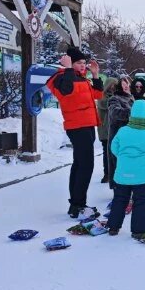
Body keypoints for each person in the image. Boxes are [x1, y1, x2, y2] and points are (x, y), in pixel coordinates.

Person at [46, 46, 104, 219]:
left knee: (79, 164)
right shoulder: (60, 77)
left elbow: (98, 95)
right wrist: (68, 69)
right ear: (70, 62)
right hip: (77, 126)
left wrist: (94, 75)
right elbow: (66, 91)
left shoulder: (82, 79)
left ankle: (76, 205)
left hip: (87, 125)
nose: (83, 66)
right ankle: (79, 205)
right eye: (79, 63)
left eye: (84, 63)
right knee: (86, 165)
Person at [107, 100, 145, 237]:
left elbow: (113, 147)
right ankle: (138, 229)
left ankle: (113, 227)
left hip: (122, 175)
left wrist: (122, 159)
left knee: (119, 200)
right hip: (141, 177)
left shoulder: (123, 131)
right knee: (141, 202)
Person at [108, 76, 134, 188]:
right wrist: (133, 112)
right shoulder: (114, 99)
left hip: (131, 137)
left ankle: (129, 190)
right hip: (118, 137)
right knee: (119, 165)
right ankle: (119, 192)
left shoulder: (132, 99)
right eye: (123, 84)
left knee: (129, 165)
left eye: (127, 84)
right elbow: (115, 113)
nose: (126, 86)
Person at [96, 77, 117, 183]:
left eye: (115, 85)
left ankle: (114, 173)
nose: (114, 87)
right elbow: (104, 104)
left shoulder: (116, 95)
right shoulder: (102, 96)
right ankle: (107, 174)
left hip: (115, 129)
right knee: (107, 153)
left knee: (115, 153)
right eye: (112, 85)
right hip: (105, 130)